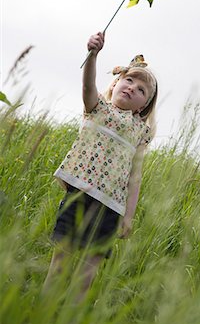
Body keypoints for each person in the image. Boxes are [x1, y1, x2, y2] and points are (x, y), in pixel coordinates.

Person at [43, 31, 158, 299]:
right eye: (128, 80)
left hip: (111, 208)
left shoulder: (139, 131)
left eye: (142, 90)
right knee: (60, 265)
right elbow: (87, 87)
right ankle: (43, 313)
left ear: (143, 107)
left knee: (86, 275)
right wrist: (93, 55)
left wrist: (128, 216)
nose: (132, 87)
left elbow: (135, 178)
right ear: (116, 83)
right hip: (80, 197)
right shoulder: (98, 108)